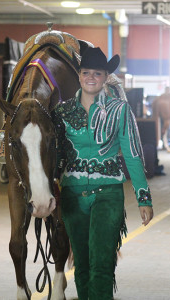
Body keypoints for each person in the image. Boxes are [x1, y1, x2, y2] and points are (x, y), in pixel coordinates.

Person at [52, 47, 153, 300]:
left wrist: (144, 198)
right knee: (82, 265)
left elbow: (132, 155)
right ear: (78, 75)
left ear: (106, 77)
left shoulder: (120, 110)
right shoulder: (62, 113)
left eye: (97, 73)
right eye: (86, 72)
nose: (90, 77)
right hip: (73, 196)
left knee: (102, 264)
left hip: (108, 195)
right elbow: (53, 156)